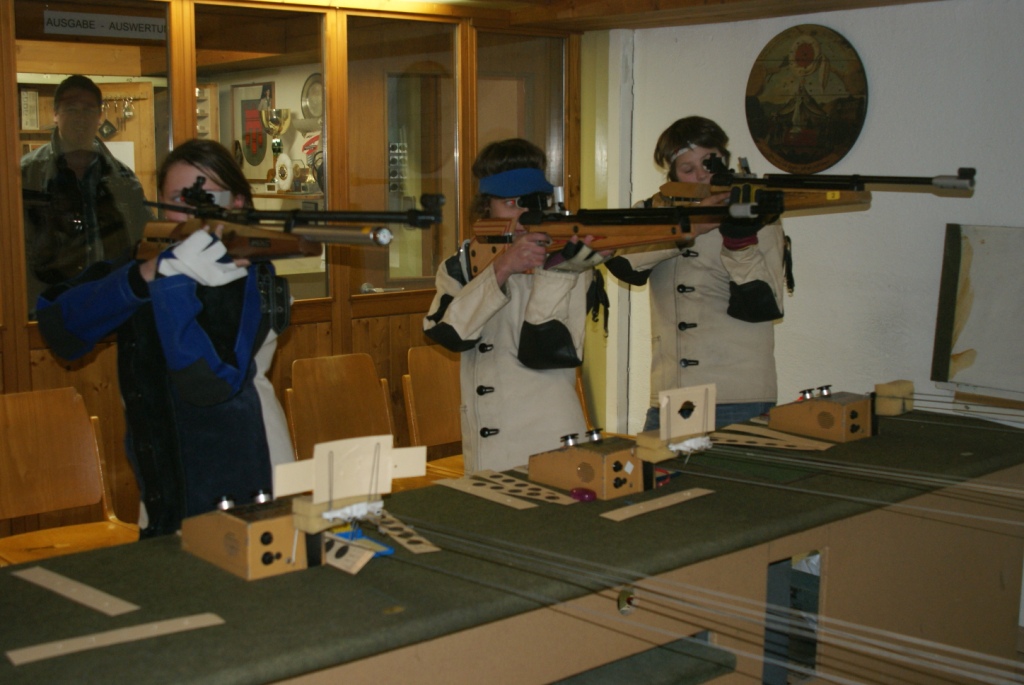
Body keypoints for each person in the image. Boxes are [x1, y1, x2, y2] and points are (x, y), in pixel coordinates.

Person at [36, 138, 294, 538]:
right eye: (178, 198)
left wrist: (170, 283)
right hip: (164, 484)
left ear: (238, 202)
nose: (192, 210)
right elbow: (60, 328)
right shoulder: (148, 260)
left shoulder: (251, 273)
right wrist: (146, 276)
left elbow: (205, 382)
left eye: (207, 196)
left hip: (245, 474)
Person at [424, 138, 610, 474]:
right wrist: (503, 268)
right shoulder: (462, 265)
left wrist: (561, 269)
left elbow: (549, 350)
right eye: (510, 203)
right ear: (486, 207)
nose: (523, 215)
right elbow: (449, 334)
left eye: (532, 202)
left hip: (551, 435)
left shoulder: (571, 261)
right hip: (487, 442)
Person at [603, 116, 792, 430]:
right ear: (672, 173)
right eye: (687, 168)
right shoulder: (653, 211)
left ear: (724, 160)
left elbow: (764, 303)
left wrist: (739, 240)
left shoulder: (759, 214)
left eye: (708, 163)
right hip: (671, 392)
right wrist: (688, 228)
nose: (700, 175)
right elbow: (624, 265)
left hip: (737, 395)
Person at [21, 74, 151, 316]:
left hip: (112, 309)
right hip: (47, 310)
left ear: (99, 116)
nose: (80, 118)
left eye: (88, 110)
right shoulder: (26, 174)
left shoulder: (122, 177)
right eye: (71, 109)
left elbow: (143, 241)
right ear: (55, 114)